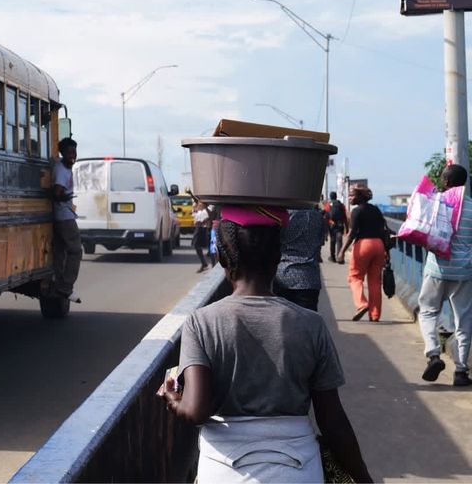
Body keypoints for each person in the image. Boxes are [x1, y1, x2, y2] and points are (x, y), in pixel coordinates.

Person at [158, 205, 372, 483]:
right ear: (278, 257)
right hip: (297, 470)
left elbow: (196, 410)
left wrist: (173, 399)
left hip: (223, 470)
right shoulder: (311, 324)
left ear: (222, 257)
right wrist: (364, 478)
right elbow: (333, 422)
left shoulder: (202, 322)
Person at [417, 164, 472, 387]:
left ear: (446, 182)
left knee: (428, 312)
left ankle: (433, 355)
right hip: (463, 272)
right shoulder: (470, 207)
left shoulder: (435, 204)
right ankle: (460, 372)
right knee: (463, 319)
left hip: (436, 269)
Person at [337, 184, 389, 321]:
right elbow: (383, 230)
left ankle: (361, 304)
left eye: (352, 195)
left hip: (363, 245)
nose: (349, 197)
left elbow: (352, 233)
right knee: (375, 281)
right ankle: (375, 314)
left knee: (355, 277)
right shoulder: (376, 210)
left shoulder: (357, 211)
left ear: (360, 196)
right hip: (378, 245)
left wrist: (341, 251)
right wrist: (386, 250)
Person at [273, 207, 326, 311]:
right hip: (309, 278)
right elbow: (320, 242)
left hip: (282, 275)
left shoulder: (283, 215)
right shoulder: (318, 217)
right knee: (307, 323)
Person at [50, 137, 82, 299]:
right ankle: (65, 286)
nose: (72, 155)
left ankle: (58, 283)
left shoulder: (63, 167)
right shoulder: (62, 170)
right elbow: (57, 191)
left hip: (62, 215)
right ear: (62, 153)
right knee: (76, 250)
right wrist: (63, 197)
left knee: (60, 252)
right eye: (69, 152)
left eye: (74, 152)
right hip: (64, 217)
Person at [192, 197, 215, 273]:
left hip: (207, 227)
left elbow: (211, 215)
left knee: (211, 248)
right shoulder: (196, 205)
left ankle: (213, 265)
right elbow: (195, 214)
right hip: (199, 226)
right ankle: (204, 263)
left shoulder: (210, 205)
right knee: (196, 244)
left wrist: (205, 207)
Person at [326, 190, 348, 263]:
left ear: (330, 197)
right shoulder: (341, 205)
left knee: (332, 241)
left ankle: (332, 257)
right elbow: (345, 216)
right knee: (339, 241)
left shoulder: (328, 204)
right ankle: (340, 258)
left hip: (332, 225)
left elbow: (326, 215)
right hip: (340, 224)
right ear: (336, 196)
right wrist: (347, 227)